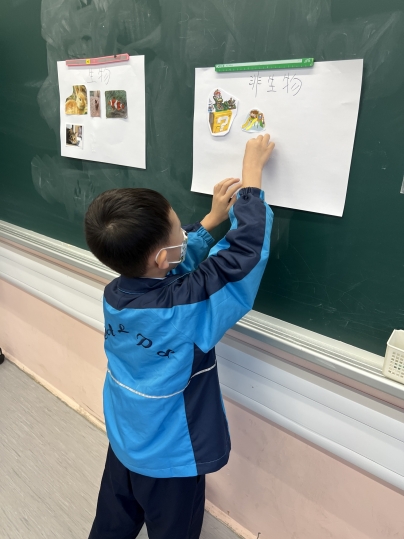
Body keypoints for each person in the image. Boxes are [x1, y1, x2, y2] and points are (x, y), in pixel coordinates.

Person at [84, 134, 275, 539]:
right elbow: (242, 257)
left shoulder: (116, 293)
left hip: (127, 440)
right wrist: (252, 181)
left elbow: (167, 271)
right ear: (162, 256)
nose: (184, 235)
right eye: (179, 231)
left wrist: (208, 223)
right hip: (171, 456)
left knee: (112, 523)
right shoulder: (185, 310)